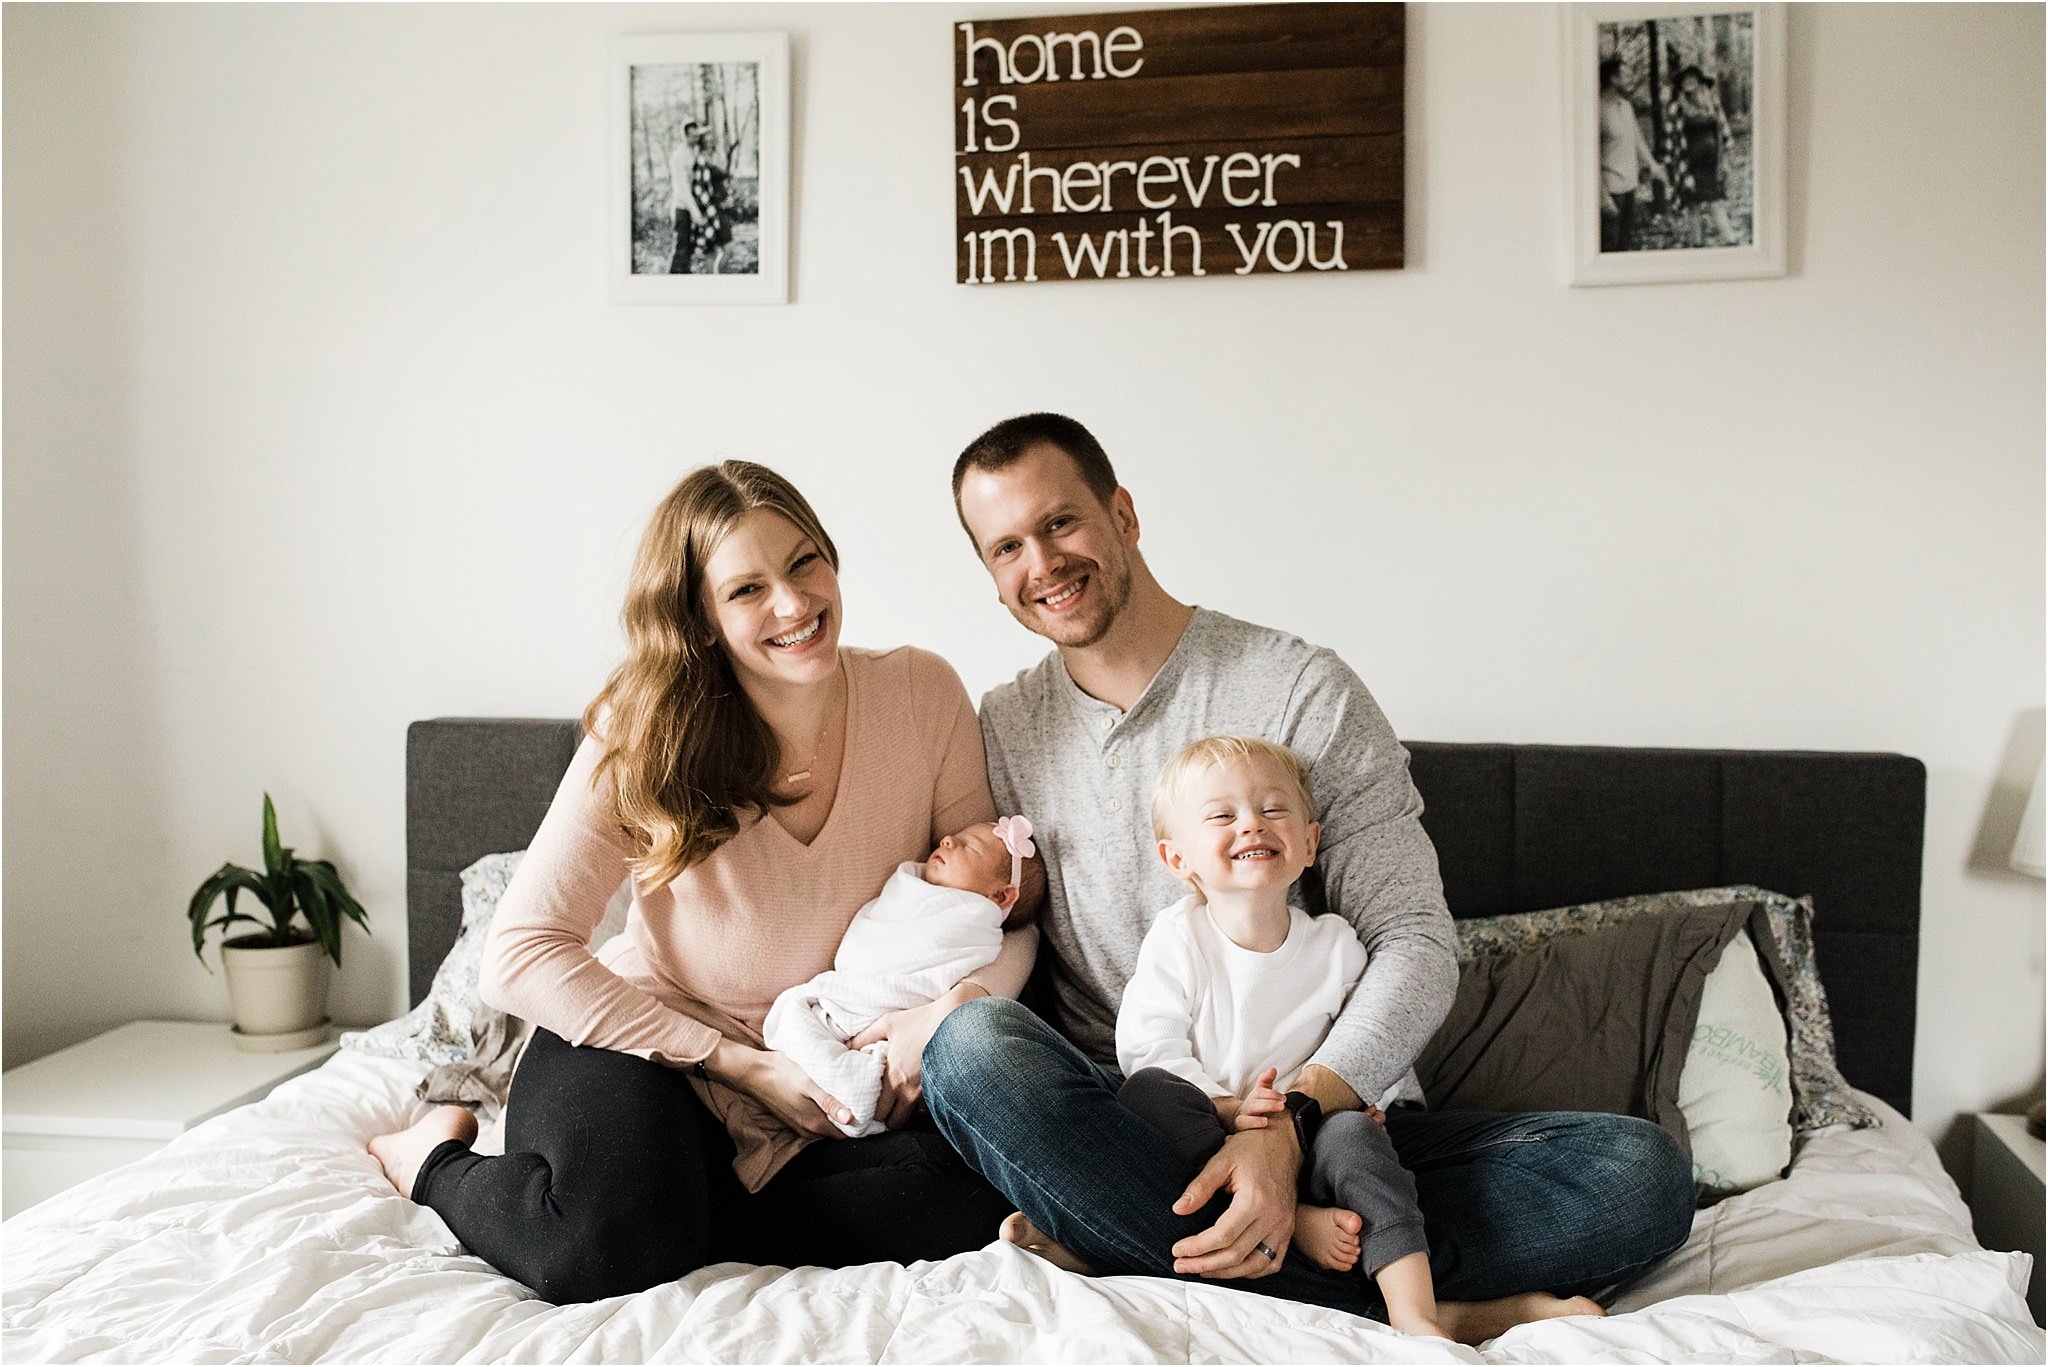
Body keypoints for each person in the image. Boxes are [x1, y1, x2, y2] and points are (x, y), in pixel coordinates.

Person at [921, 413, 1696, 1342]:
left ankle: (1134, 1245)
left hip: (1337, 1120)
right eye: (1007, 545)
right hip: (1138, 1124)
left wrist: (1284, 1127)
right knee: (967, 1050)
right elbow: (991, 918)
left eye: (1061, 523)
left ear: (1123, 514)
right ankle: (1429, 1307)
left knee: (1642, 1175)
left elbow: (1413, 942)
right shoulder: (1004, 725)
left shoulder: (1300, 688)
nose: (1041, 562)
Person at [367, 460, 1031, 1303]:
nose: (794, 605)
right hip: (652, 1046)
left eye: (803, 563)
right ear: (703, 620)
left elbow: (994, 909)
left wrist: (947, 1008)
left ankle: (690, 1209)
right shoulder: (644, 731)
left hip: (831, 1074)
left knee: (984, 1183)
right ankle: (430, 1157)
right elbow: (522, 952)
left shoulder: (921, 692)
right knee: (604, 1251)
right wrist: (738, 1065)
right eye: (747, 588)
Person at [762, 815, 1043, 1138]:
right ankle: (843, 1077)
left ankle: (851, 1082)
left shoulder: (973, 922)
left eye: (970, 847)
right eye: (955, 836)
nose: (948, 839)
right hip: (850, 995)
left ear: (1001, 897)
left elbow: (960, 955)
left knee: (795, 1015)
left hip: (894, 1022)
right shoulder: (911, 887)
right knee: (792, 1010)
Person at [1600, 55, 1667, 253]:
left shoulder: (1626, 106)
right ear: (1614, 78)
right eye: (1626, 74)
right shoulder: (1597, 109)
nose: (1631, 78)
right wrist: (1603, 197)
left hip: (1630, 186)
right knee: (1609, 248)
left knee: (1625, 244)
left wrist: (1653, 166)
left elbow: (1637, 139)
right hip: (1610, 190)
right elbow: (1590, 160)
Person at [1673, 65, 1736, 246]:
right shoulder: (1677, 107)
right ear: (1681, 84)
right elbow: (1673, 139)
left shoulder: (1712, 104)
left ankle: (1730, 239)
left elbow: (1724, 131)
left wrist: (1725, 161)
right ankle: (1697, 244)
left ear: (1700, 81)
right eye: (1685, 79)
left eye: (1692, 78)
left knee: (1715, 201)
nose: (1689, 82)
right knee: (1693, 205)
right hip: (1689, 164)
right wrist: (1678, 169)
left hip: (1711, 163)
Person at [668, 122, 702, 274]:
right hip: (682, 208)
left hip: (690, 207)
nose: (696, 139)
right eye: (693, 136)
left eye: (697, 135)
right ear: (685, 136)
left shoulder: (692, 153)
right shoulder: (679, 156)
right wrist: (695, 212)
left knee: (689, 249)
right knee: (680, 250)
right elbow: (682, 188)